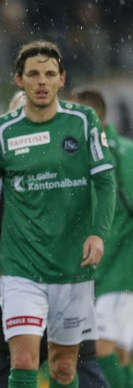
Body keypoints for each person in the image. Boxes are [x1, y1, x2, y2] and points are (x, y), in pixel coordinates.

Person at [0, 40, 116, 387]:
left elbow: (106, 182)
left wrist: (98, 233)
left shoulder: (83, 122)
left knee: (64, 367)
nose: (42, 81)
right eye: (33, 74)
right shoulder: (2, 131)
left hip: (71, 267)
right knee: (22, 359)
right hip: (20, 268)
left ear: (61, 79)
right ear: (19, 80)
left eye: (49, 74)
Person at [69, 88, 133, 388]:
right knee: (118, 352)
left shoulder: (123, 154)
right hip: (98, 270)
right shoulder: (80, 158)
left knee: (101, 347)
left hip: (122, 270)